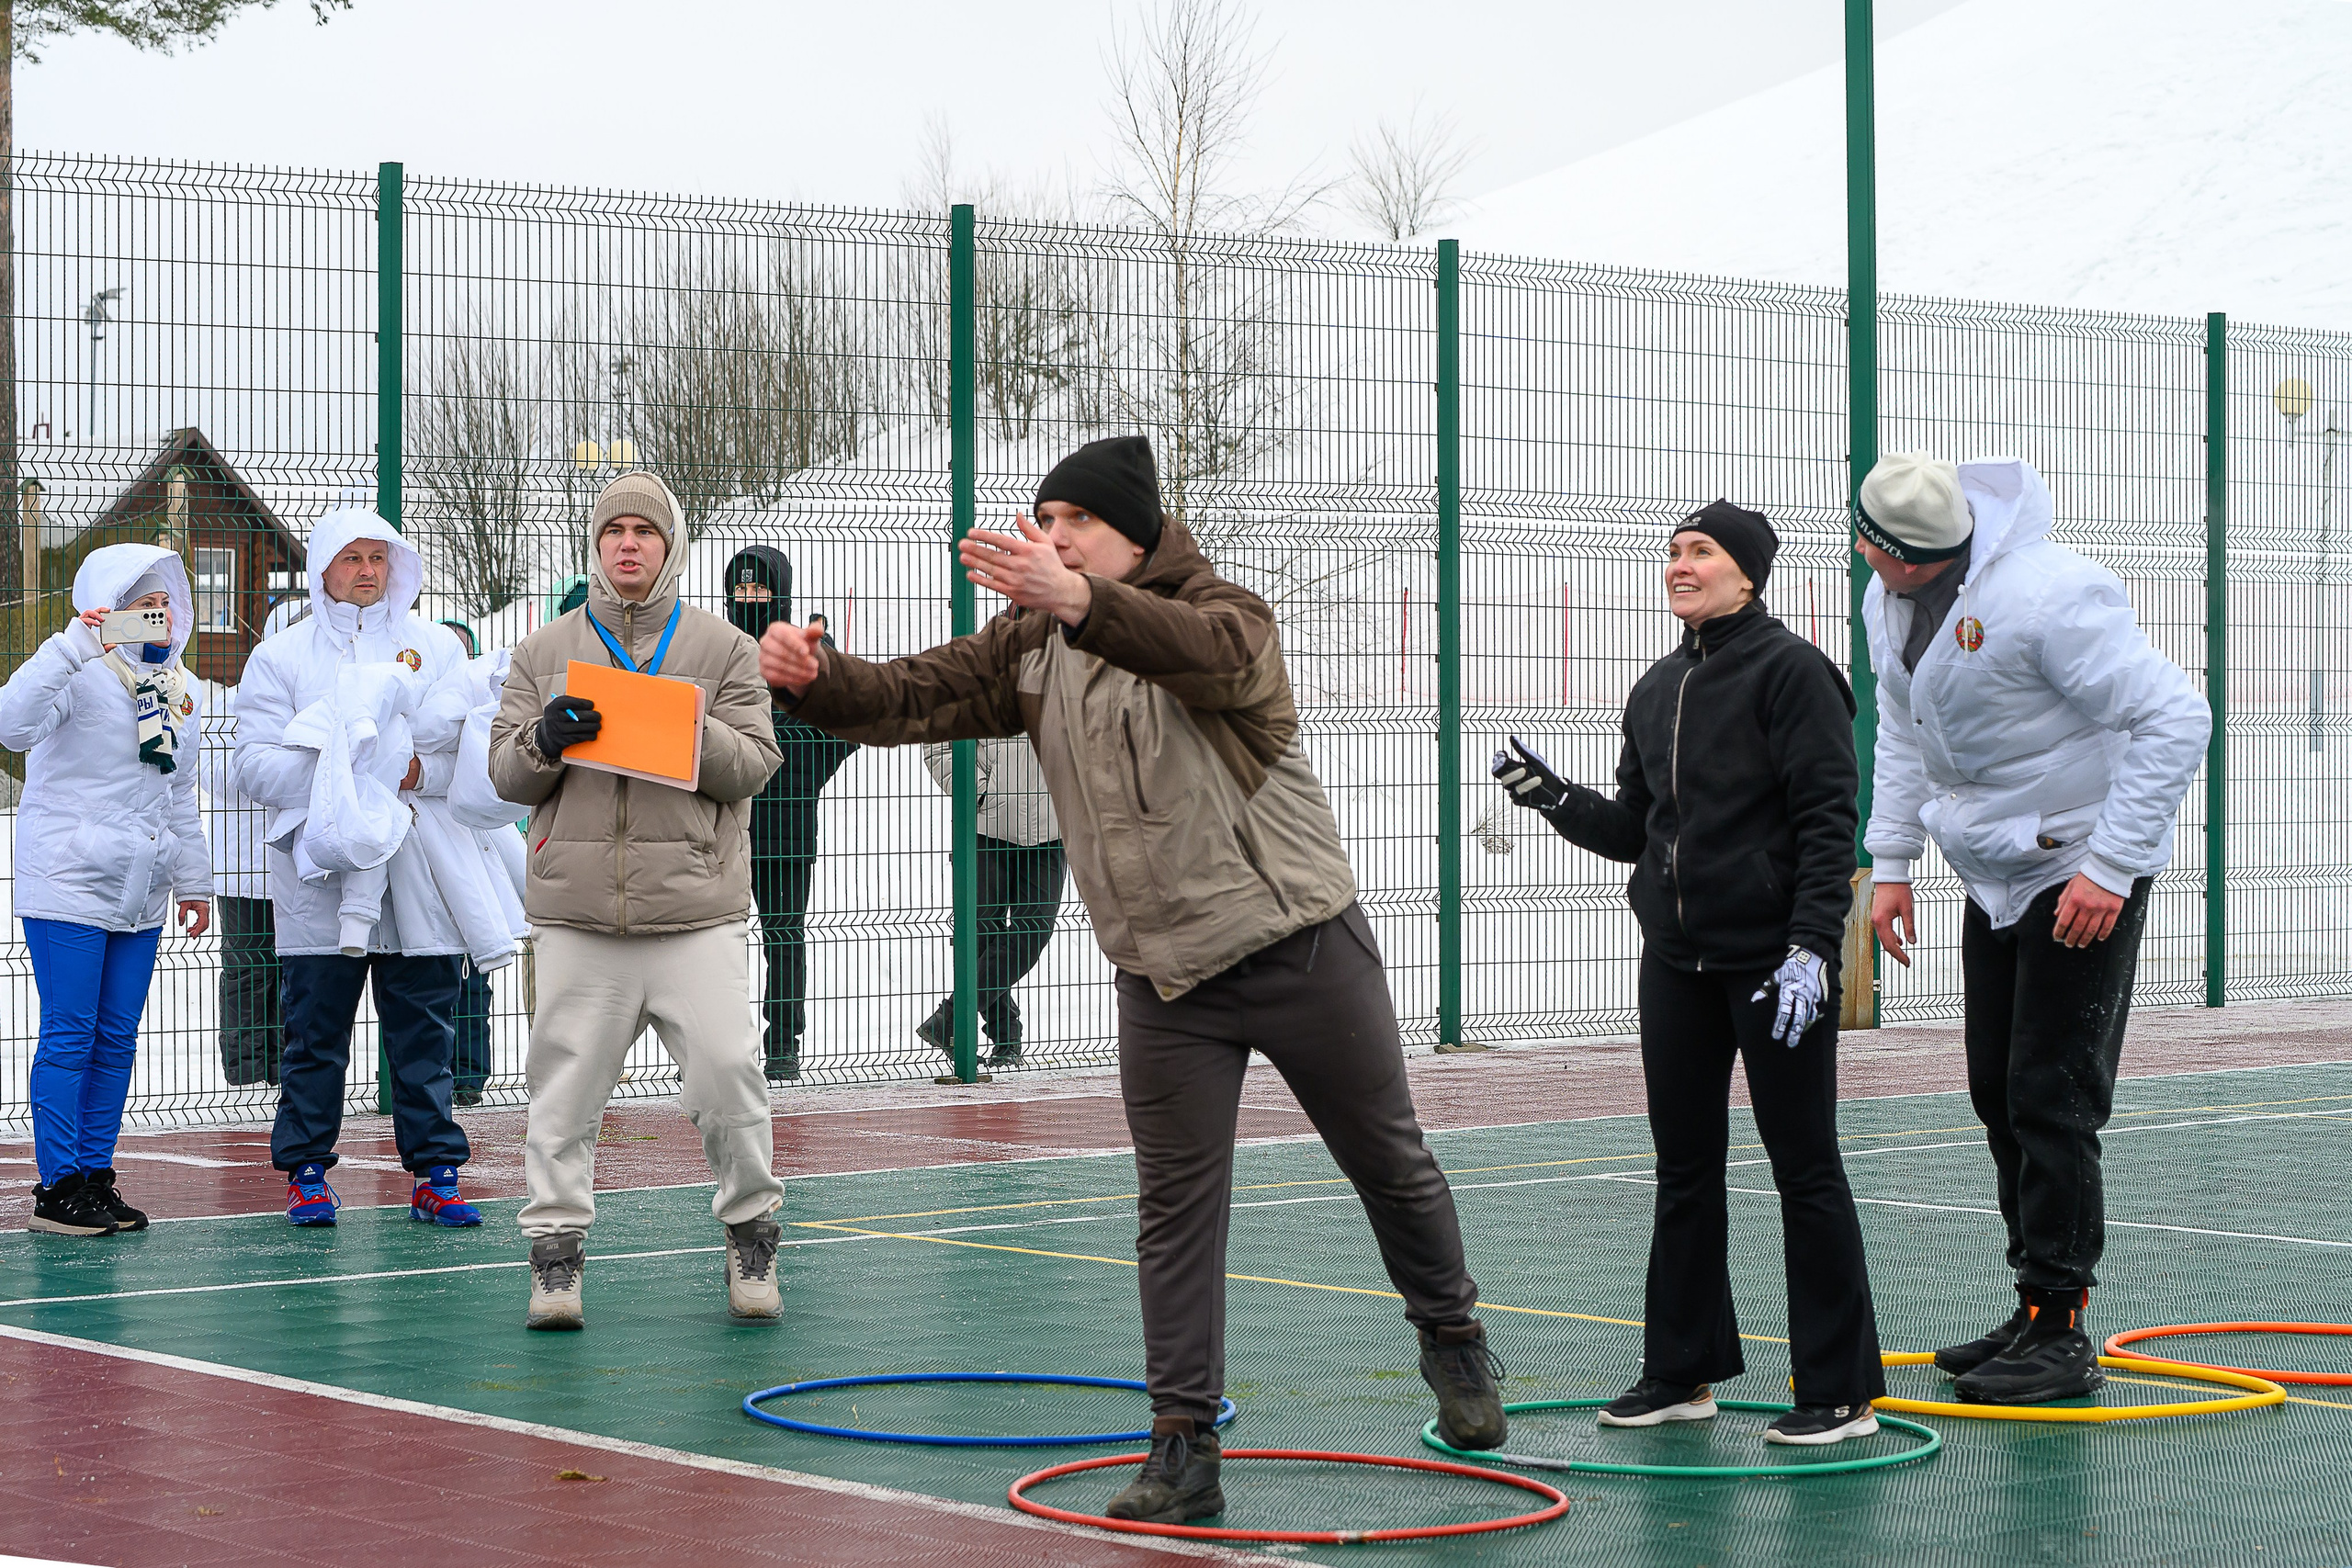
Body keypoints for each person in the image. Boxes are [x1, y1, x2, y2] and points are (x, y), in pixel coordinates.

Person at [760, 434, 1505, 1525]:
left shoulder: (1225, 610)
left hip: (1298, 942)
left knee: (1388, 1162)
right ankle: (1181, 1447)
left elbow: (1203, 657)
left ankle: (1454, 1339)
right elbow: (918, 694)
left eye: (1079, 524)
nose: (1053, 541)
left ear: (1138, 531)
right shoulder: (1033, 638)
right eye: (1044, 522)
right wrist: (821, 680)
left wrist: (1077, 601)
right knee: (1174, 1212)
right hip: (1164, 979)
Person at [1492, 500, 1884, 1445]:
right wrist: (1554, 798)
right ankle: (1681, 1372)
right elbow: (1637, 831)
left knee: (1805, 1168)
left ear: (1747, 572)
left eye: (1699, 551)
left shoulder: (1795, 674)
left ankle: (1839, 1391)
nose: (1679, 565)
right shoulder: (1655, 687)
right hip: (1675, 960)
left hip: (1770, 963)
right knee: (1683, 1167)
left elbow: (1830, 823)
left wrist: (1810, 947)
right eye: (1671, 552)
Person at [1857, 454, 2208, 1404]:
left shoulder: (2054, 596)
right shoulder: (1884, 598)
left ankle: (2061, 1329)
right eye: (1886, 557)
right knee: (1993, 1091)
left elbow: (2176, 717)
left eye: (1921, 564)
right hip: (1995, 871)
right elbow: (1900, 730)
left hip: (2078, 868)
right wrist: (1890, 863)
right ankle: (2030, 1303)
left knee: (2051, 1095)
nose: (1892, 572)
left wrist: (2109, 867)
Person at [491, 471, 786, 1331]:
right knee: (563, 1096)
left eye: (645, 532)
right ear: (596, 543)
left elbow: (758, 762)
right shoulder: (544, 652)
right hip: (578, 915)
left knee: (731, 1077)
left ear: (670, 547)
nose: (629, 543)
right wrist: (546, 738)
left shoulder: (722, 649)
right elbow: (505, 774)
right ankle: (554, 1259)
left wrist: (684, 729)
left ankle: (751, 1231)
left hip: (694, 911)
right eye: (614, 529)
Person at [233, 507, 483, 1229]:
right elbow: (253, 765)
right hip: (320, 886)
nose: (368, 571)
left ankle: (437, 1173)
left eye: (380, 557)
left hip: (416, 880)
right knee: (314, 1037)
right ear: (321, 570)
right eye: (352, 559)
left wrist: (410, 769)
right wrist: (337, 769)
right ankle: (306, 1173)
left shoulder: (435, 649)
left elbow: (464, 748)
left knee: (425, 1036)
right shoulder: (281, 658)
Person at [0, 544, 211, 1235]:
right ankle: (57, 1184)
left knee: (116, 1038)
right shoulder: (77, 670)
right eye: (137, 605)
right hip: (68, 880)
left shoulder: (179, 690)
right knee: (71, 1032)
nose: (154, 615)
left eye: (162, 605)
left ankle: (94, 1173)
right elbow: (10, 723)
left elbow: (178, 793)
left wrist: (195, 882)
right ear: (105, 609)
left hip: (140, 889)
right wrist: (73, 644)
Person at [720, 547, 856, 1082]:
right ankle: (722, 1049)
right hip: (719, 819)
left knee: (783, 933)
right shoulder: (715, 650)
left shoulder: (804, 653)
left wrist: (805, 769)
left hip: (787, 820)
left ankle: (783, 1044)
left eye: (759, 590)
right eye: (740, 590)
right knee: (715, 937)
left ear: (781, 592)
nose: (748, 600)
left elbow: (848, 720)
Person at [198, 596, 310, 1089]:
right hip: (241, 863)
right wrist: (267, 770)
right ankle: (247, 1071)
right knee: (247, 966)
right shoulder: (231, 703)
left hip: (301, 858)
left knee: (299, 968)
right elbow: (210, 770)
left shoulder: (319, 700)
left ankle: (289, 1068)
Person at [916, 736, 1066, 1066]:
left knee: (1033, 930)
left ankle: (952, 1018)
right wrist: (979, 791)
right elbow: (937, 741)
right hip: (986, 826)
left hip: (1053, 827)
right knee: (981, 933)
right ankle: (1007, 1039)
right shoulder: (970, 682)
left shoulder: (1063, 682)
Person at [437, 616, 495, 1105]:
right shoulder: (428, 707)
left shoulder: (483, 705)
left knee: (475, 969)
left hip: (475, 849)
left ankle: (471, 1076)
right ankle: (435, 1072)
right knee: (429, 973)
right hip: (428, 849)